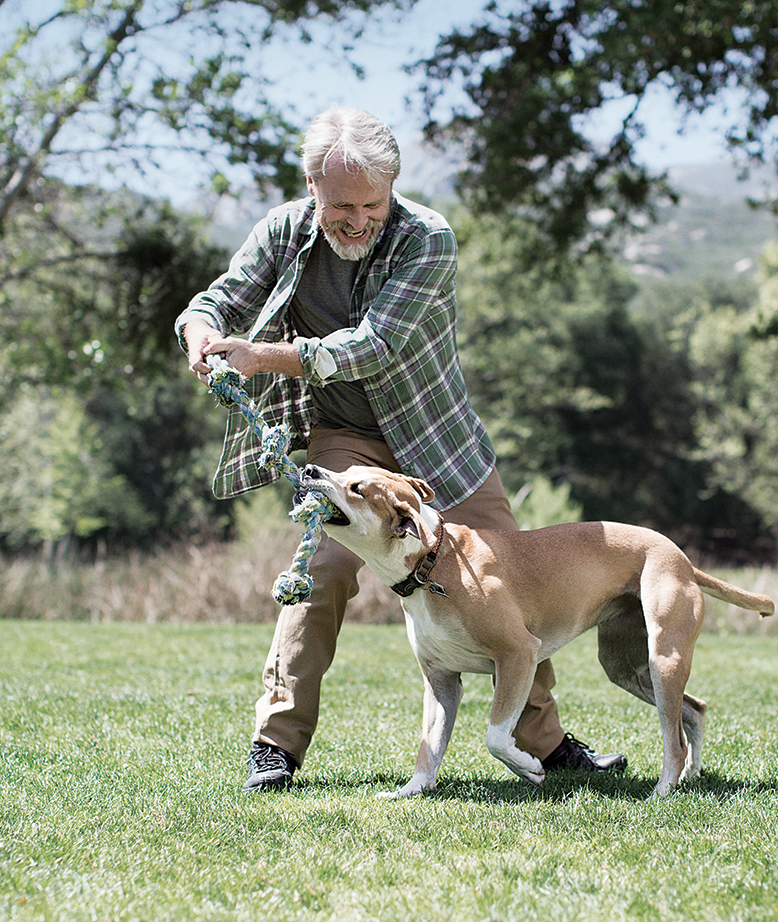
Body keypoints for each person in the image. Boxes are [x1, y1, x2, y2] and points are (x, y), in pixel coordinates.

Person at [176, 107, 626, 792]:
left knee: (505, 584)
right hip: (343, 439)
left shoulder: (427, 239)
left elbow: (373, 346)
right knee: (321, 570)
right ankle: (276, 744)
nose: (356, 220)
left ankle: (545, 741)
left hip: (436, 438)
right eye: (338, 207)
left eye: (371, 205)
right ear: (309, 188)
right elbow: (218, 298)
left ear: (391, 188)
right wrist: (201, 333)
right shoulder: (281, 230)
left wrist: (263, 355)